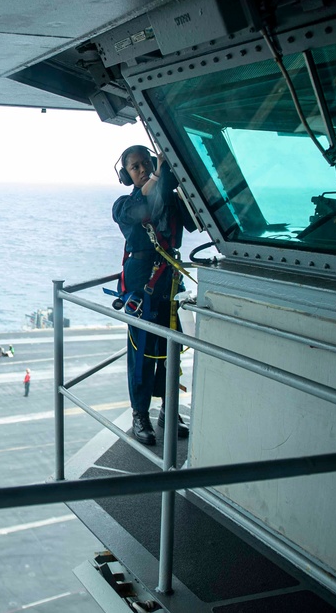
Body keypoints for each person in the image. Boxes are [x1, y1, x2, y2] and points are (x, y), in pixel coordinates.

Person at [112, 144, 194, 446]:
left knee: (170, 352)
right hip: (142, 284)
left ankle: (168, 411)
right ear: (126, 174)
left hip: (169, 283)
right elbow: (144, 208)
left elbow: (193, 221)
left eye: (147, 162)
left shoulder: (171, 198)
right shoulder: (123, 204)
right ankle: (140, 414)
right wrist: (160, 178)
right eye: (135, 167)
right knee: (142, 353)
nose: (143, 169)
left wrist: (177, 181)